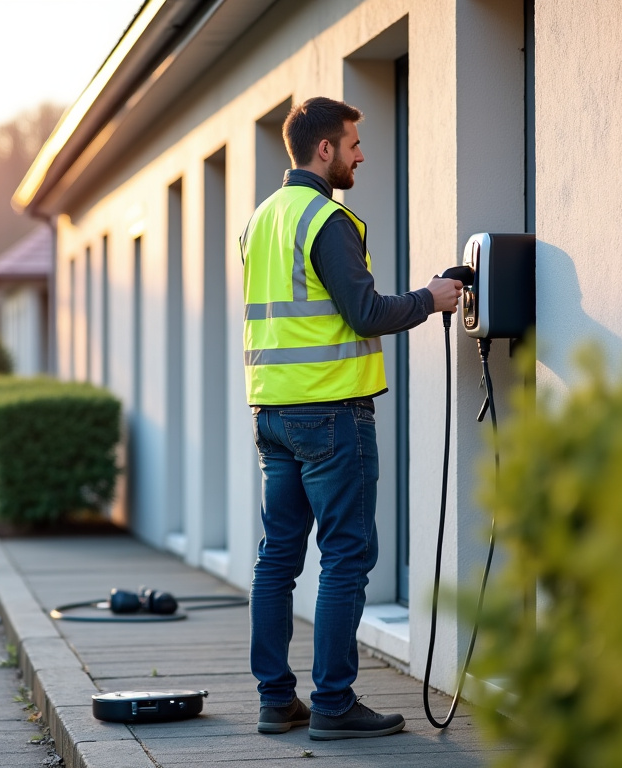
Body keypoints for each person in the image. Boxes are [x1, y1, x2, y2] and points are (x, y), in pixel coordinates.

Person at [241, 96, 463, 740]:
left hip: (273, 412)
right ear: (324, 150)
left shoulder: (261, 220)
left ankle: (275, 700)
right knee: (345, 556)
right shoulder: (326, 219)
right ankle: (333, 705)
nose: (362, 154)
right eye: (353, 143)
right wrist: (432, 298)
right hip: (332, 413)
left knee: (276, 558)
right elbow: (365, 314)